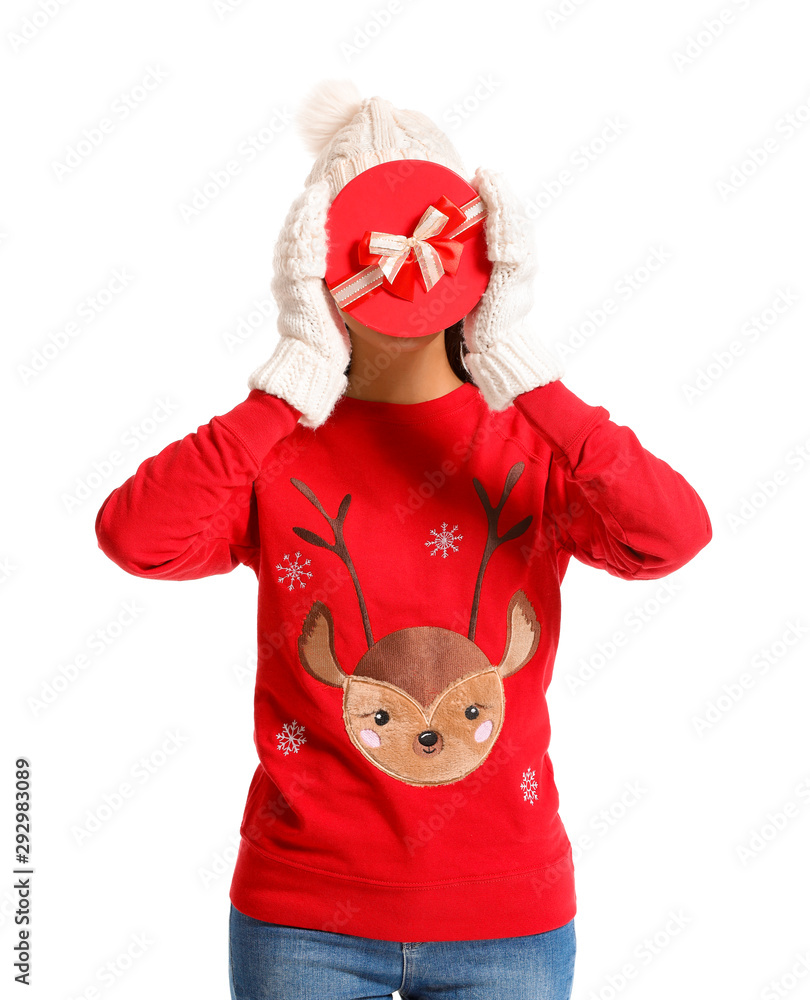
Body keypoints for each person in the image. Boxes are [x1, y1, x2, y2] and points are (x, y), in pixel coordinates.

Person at [94, 80, 712, 1000]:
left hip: (508, 914)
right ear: (308, 268)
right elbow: (135, 538)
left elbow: (671, 534)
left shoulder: (531, 446)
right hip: (301, 914)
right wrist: (288, 381)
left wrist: (523, 369)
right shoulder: (276, 449)